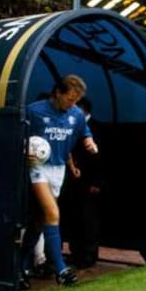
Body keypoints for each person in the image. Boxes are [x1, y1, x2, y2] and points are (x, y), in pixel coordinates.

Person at [20, 75, 98, 288]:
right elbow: (17, 134)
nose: (72, 104)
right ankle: (61, 269)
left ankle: (21, 266)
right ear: (57, 93)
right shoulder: (34, 111)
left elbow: (84, 132)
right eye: (70, 99)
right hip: (37, 168)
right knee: (53, 214)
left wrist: (89, 142)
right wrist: (24, 149)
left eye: (76, 100)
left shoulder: (76, 114)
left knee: (38, 221)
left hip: (58, 169)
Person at [63, 97, 104, 269]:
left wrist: (97, 182)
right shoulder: (72, 127)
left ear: (84, 110)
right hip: (73, 182)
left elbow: (103, 158)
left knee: (89, 219)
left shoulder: (98, 128)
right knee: (75, 217)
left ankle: (89, 255)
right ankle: (76, 253)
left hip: (90, 183)